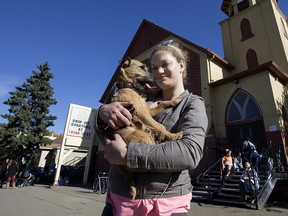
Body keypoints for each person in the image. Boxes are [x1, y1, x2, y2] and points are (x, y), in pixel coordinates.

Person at [96, 40, 208, 215]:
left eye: (165, 64)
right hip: (118, 202)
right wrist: (102, 114)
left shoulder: (192, 104)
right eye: (154, 67)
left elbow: (190, 154)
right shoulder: (142, 100)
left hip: (165, 205)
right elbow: (107, 136)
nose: (158, 72)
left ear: (181, 66)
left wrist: (127, 156)